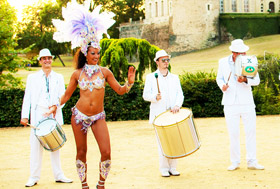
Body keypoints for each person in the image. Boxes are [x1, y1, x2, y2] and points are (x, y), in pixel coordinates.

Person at [52, 1, 136, 188]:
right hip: (79, 117)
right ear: (85, 53)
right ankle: (84, 185)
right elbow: (66, 95)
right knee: (81, 152)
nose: (96, 56)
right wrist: (55, 105)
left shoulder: (105, 72)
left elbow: (120, 91)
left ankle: (100, 184)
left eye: (98, 53)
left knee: (106, 152)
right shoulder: (77, 74)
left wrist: (128, 83)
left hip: (98, 117)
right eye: (93, 53)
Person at [21, 48, 73, 187]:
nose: (47, 61)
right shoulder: (32, 78)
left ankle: (59, 175)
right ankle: (33, 177)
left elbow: (63, 96)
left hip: (54, 114)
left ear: (52, 59)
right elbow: (28, 97)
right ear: (40, 61)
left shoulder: (59, 77)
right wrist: (25, 116)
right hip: (38, 114)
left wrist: (55, 107)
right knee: (35, 146)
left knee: (55, 145)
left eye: (49, 58)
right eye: (44, 58)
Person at [216, 39, 264, 171]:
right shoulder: (222, 62)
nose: (243, 55)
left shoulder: (249, 61)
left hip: (247, 102)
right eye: (240, 53)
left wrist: (245, 80)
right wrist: (222, 86)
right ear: (233, 52)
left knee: (250, 132)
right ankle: (235, 162)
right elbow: (219, 78)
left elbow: (257, 80)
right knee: (233, 133)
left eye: (244, 52)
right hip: (230, 103)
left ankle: (252, 161)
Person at [143, 50, 184, 177]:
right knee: (162, 143)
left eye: (167, 60)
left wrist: (177, 105)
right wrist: (155, 97)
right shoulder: (151, 77)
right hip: (159, 115)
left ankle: (173, 167)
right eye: (163, 60)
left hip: (173, 114)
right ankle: (164, 168)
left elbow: (180, 94)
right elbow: (145, 96)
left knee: (175, 141)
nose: (166, 62)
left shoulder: (175, 78)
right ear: (157, 62)